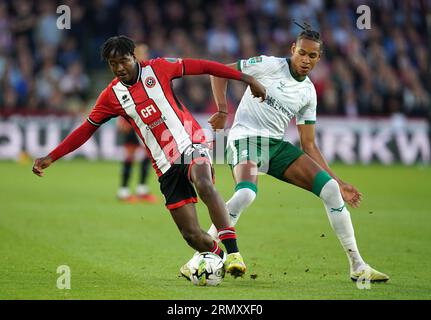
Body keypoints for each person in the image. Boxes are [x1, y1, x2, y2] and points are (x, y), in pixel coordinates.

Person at [32, 35, 267, 278]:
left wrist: (247, 79)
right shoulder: (111, 96)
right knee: (192, 235)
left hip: (190, 144)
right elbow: (86, 128)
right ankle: (218, 256)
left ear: (134, 56)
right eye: (113, 64)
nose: (119, 68)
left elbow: (205, 66)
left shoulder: (159, 68)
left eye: (123, 60)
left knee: (204, 183)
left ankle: (234, 252)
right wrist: (52, 156)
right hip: (164, 165)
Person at [182, 23, 389, 283]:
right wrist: (223, 110)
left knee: (331, 191)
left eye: (312, 56)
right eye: (302, 53)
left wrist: (338, 180)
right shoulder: (268, 64)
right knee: (246, 194)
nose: (306, 60)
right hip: (245, 138)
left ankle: (358, 266)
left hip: (276, 147)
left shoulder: (308, 92)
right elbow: (219, 73)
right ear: (293, 49)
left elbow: (309, 144)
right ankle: (199, 257)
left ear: (318, 58)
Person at [116, 42, 158, 204]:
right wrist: (123, 118)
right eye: (141, 52)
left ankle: (141, 189)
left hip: (145, 120)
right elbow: (122, 97)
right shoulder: (127, 74)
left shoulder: (146, 73)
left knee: (148, 154)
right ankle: (123, 191)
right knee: (130, 155)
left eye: (145, 52)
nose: (144, 55)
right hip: (131, 120)